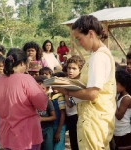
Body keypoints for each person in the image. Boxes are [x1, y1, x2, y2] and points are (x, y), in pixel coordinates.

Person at [54, 15, 116, 150]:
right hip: (95, 117)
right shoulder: (98, 54)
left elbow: (92, 93)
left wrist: (66, 90)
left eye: (79, 38)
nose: (79, 43)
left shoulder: (99, 57)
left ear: (91, 33)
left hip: (94, 119)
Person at [0, 48, 47, 150]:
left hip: (5, 132)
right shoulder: (26, 79)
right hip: (26, 133)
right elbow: (42, 105)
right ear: (21, 64)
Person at [65, 55, 85, 150]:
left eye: (74, 68)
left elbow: (69, 103)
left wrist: (65, 90)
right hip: (69, 116)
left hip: (77, 116)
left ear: (80, 70)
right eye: (69, 68)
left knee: (77, 144)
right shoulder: (69, 81)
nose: (70, 71)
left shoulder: (80, 84)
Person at [35, 75, 56, 150]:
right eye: (37, 88)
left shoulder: (48, 101)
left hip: (47, 130)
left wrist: (41, 119)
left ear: (47, 90)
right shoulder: (31, 102)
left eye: (42, 88)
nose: (40, 90)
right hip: (35, 130)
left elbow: (54, 116)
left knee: (48, 147)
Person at [113, 70, 131, 149]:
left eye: (116, 84)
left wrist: (113, 101)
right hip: (118, 132)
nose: (114, 87)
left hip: (124, 133)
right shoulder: (119, 95)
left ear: (123, 85)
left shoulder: (126, 98)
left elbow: (119, 116)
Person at [49, 72, 66, 150]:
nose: (55, 86)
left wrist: (58, 131)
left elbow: (63, 114)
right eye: (53, 84)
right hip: (51, 126)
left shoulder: (60, 97)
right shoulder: (49, 95)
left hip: (59, 126)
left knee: (58, 147)